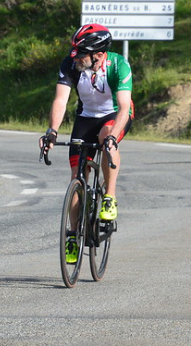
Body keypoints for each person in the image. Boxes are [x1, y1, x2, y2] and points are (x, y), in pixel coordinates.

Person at [39, 23, 133, 263]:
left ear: (99, 55)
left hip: (114, 116)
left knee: (106, 138)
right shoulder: (71, 64)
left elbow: (124, 107)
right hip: (85, 118)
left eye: (81, 53)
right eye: (75, 51)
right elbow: (61, 100)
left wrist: (112, 137)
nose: (76, 57)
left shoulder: (119, 66)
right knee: (76, 177)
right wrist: (52, 131)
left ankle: (109, 197)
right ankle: (73, 234)